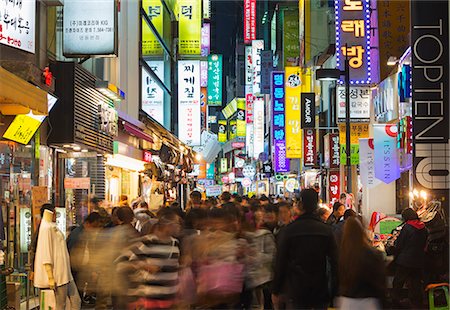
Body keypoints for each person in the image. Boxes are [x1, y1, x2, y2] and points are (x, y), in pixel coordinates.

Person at [272, 189, 338, 309]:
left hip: (296, 288)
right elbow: (335, 261)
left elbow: (281, 262)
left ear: (300, 204)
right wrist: (335, 290)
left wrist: (276, 289)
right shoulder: (326, 230)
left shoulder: (289, 230)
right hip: (320, 288)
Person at [116, 210, 182, 310]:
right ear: (167, 225)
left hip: (170, 299)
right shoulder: (148, 242)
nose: (179, 227)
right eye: (176, 224)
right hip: (150, 299)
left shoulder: (175, 243)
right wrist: (144, 266)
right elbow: (121, 261)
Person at [34, 207, 81, 309]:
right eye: (55, 212)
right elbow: (46, 252)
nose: (56, 215)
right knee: (61, 304)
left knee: (76, 300)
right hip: (58, 274)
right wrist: (50, 276)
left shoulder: (51, 226)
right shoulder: (46, 228)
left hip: (65, 272)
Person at [337, 217, 386, 309]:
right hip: (368, 301)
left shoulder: (342, 254)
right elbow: (380, 282)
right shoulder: (373, 254)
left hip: (346, 302)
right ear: (362, 231)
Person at [390, 208, 428, 308]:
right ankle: (416, 303)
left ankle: (395, 303)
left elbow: (400, 244)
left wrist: (394, 251)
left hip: (405, 261)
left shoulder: (407, 227)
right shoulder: (423, 227)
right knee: (415, 283)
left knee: (398, 282)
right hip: (418, 260)